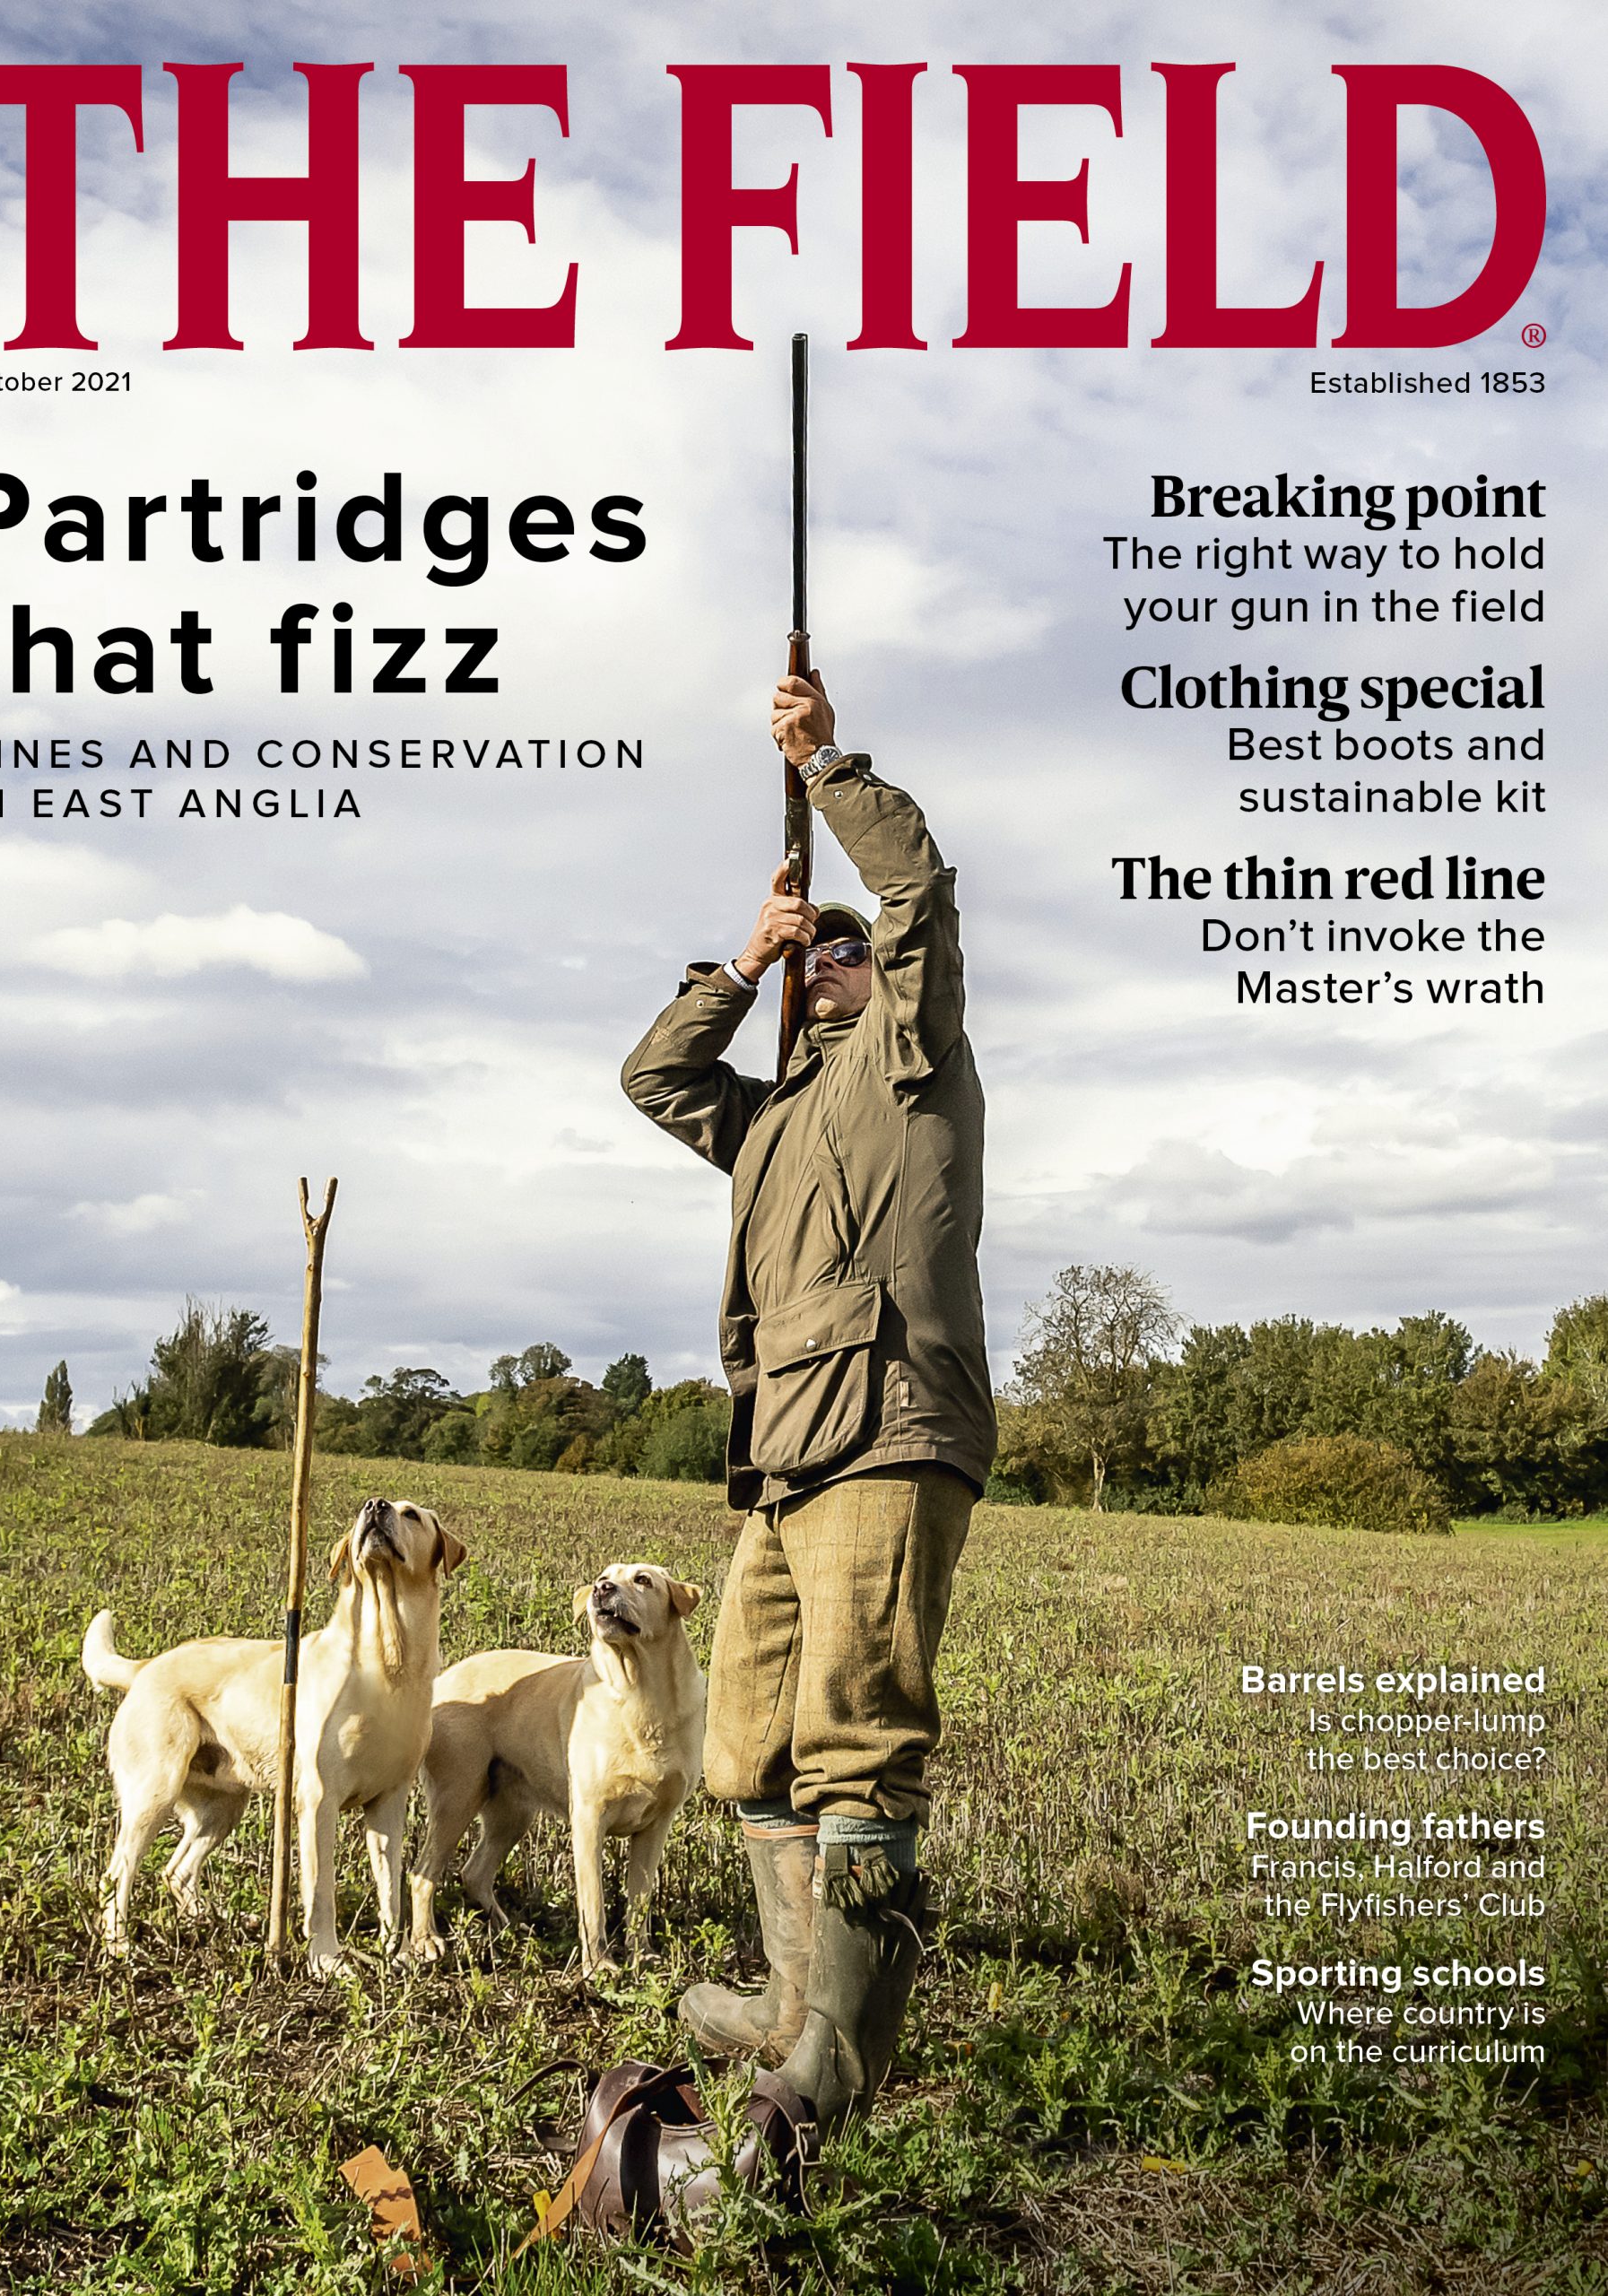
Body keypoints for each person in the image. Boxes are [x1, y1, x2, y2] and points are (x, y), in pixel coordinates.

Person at [621, 674, 996, 2130]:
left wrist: (820, 765)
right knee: (748, 1749)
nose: (834, 955)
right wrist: (740, 956)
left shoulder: (911, 1061)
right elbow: (655, 1077)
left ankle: (825, 2086)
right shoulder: (770, 1111)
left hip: (890, 1426)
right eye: (815, 950)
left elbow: (914, 892)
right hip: (780, 1457)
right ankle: (790, 2012)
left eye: (847, 948)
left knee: (856, 1738)